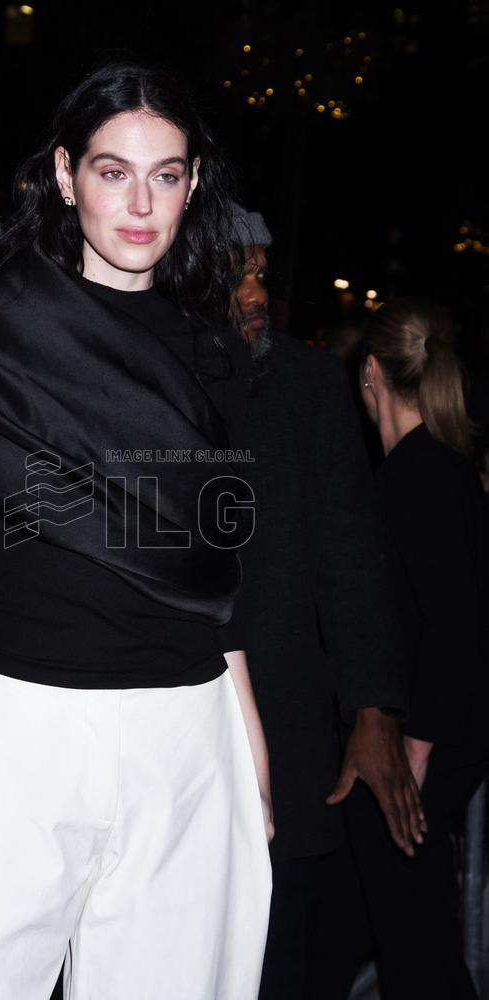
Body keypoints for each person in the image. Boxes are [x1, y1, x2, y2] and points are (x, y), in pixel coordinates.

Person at [0, 60, 273, 1000]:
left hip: (185, 729)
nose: (140, 204)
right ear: (63, 174)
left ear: (193, 183)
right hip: (23, 723)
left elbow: (213, 562)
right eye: (111, 171)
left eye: (165, 175)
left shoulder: (214, 352)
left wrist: (244, 735)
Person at [201, 207, 424, 1000]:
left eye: (262, 271)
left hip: (287, 711)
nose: (257, 292)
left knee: (280, 947)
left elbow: (353, 557)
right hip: (166, 709)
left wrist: (373, 707)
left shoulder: (309, 385)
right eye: (238, 273)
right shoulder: (148, 375)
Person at [313, 297, 489, 1000]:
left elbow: (456, 622)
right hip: (421, 739)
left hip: (415, 747)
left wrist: (414, 748)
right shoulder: (438, 470)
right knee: (352, 920)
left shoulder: (416, 478)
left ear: (373, 375)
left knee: (416, 945)